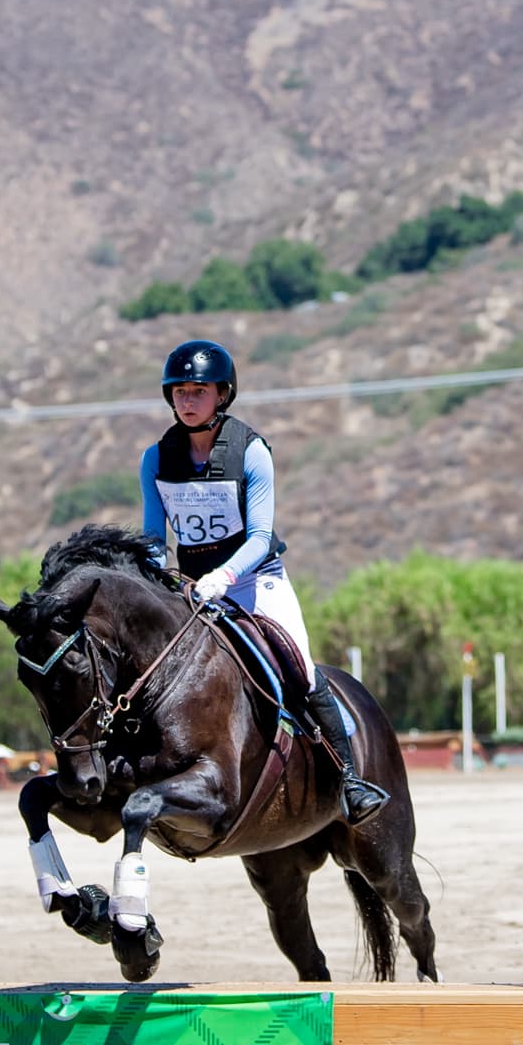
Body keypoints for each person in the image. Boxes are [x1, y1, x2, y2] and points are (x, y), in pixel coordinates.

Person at [141, 338, 387, 823]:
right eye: (180, 392)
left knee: (300, 666)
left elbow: (258, 536)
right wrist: (157, 574)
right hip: (191, 587)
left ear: (222, 395)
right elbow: (154, 534)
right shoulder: (156, 458)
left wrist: (224, 576)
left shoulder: (251, 452)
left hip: (255, 581)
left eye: (199, 391)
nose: (187, 402)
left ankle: (349, 781)